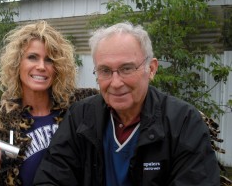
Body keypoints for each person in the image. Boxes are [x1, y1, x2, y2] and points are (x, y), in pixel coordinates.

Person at [33, 22, 220, 186]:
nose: (115, 83)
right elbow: (51, 177)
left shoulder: (183, 122)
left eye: (127, 68)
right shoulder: (80, 117)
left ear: (152, 68)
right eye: (105, 70)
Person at [0, 20, 99, 186]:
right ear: (17, 63)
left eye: (50, 60)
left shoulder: (80, 106)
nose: (41, 66)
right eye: (32, 57)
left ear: (58, 66)